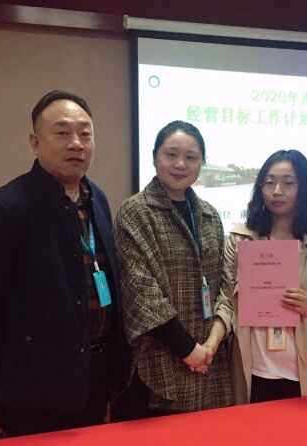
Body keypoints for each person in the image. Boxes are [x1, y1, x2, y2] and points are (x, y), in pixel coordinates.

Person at [0, 90, 129, 436]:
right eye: (62, 133)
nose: (76, 144)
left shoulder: (96, 198)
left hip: (95, 374)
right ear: (35, 142)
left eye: (85, 134)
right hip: (35, 386)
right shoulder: (7, 207)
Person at [112, 120, 233, 420]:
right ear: (155, 158)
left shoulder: (209, 215)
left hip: (209, 359)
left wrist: (210, 345)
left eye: (191, 157)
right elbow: (142, 294)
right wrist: (188, 350)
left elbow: (223, 287)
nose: (181, 164)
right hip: (159, 362)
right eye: (171, 154)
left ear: (202, 163)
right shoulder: (135, 212)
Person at [216, 149, 307, 404]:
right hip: (252, 366)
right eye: (269, 182)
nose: (277, 191)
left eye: (288, 183)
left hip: (304, 368)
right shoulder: (241, 238)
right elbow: (226, 300)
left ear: (304, 188)